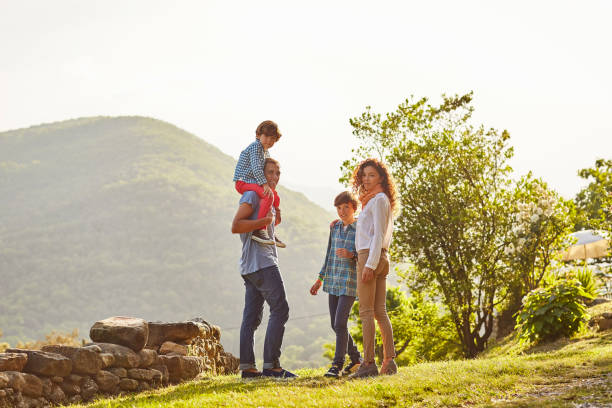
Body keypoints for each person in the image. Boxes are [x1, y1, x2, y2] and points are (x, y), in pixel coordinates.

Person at [231, 158, 297, 379]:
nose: (275, 177)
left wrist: (272, 228)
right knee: (281, 309)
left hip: (251, 266)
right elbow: (236, 225)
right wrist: (263, 222)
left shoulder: (267, 197)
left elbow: (261, 228)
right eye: (270, 172)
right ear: (261, 174)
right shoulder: (252, 195)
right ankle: (272, 366)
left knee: (251, 318)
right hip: (262, 264)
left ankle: (248, 369)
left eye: (278, 173)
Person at [349, 158, 398, 378]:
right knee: (379, 311)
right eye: (364, 175)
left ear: (381, 178)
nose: (366, 179)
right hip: (380, 255)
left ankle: (368, 363)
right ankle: (389, 361)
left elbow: (377, 234)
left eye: (372, 175)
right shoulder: (377, 200)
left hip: (371, 255)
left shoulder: (378, 200)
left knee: (367, 312)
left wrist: (369, 264)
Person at [309, 191, 363, 378]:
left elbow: (365, 253)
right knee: (335, 324)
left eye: (346, 207)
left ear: (354, 208)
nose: (341, 211)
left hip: (349, 282)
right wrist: (320, 278)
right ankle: (356, 359)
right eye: (339, 208)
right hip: (333, 280)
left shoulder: (360, 228)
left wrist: (352, 255)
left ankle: (337, 365)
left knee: (340, 323)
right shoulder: (334, 228)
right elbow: (329, 254)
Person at [232, 120, 286, 248]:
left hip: (253, 181)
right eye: (266, 136)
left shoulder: (265, 151)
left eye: (272, 138)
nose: (269, 140)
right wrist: (264, 185)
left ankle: (269, 230)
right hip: (244, 181)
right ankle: (259, 230)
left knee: (274, 196)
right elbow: (257, 168)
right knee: (268, 195)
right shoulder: (256, 147)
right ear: (258, 135)